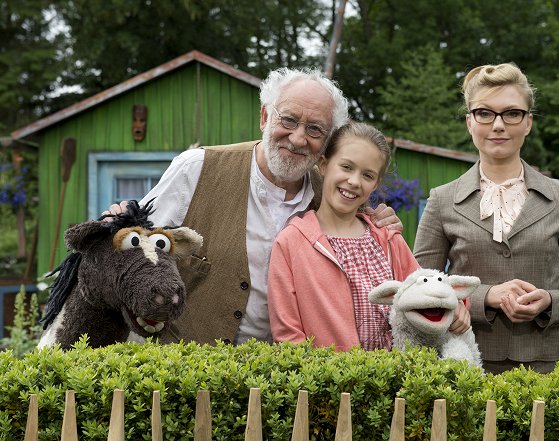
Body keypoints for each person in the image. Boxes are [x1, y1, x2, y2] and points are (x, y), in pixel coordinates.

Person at [105, 68, 402, 346]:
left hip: (279, 379)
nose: (298, 138)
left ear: (326, 142)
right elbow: (133, 247)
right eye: (288, 120)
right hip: (184, 368)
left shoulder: (331, 192)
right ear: (264, 116)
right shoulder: (197, 168)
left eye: (314, 129)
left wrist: (383, 224)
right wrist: (114, 231)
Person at [413, 63, 559, 374]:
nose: (498, 125)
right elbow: (418, 289)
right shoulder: (442, 200)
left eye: (512, 113)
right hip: (465, 366)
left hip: (547, 373)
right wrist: (485, 296)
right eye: (485, 113)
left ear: (528, 122)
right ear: (469, 122)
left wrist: (550, 301)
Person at [268, 121, 471, 351]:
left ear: (376, 184)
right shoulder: (291, 243)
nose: (354, 181)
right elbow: (288, 334)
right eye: (346, 167)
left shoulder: (388, 239)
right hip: (331, 384)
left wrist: (458, 305)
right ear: (323, 165)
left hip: (396, 380)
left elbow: (427, 289)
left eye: (367, 175)